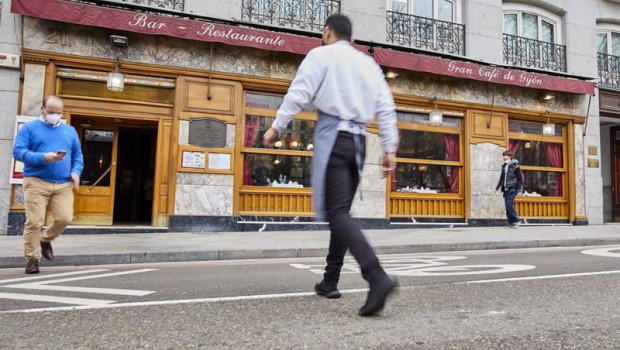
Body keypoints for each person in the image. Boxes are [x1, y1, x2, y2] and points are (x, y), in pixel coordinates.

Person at [263, 14, 399, 316]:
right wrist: (390, 148)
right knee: (342, 213)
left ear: (327, 32)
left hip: (333, 137)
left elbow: (299, 94)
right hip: (358, 142)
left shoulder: (320, 55)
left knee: (336, 213)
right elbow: (386, 107)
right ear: (352, 39)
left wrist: (276, 127)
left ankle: (376, 276)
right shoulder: (368, 63)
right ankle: (329, 281)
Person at [12, 96, 84, 274]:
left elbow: (78, 156)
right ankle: (32, 259)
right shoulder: (29, 129)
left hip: (63, 183)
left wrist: (76, 172)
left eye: (58, 113)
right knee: (34, 222)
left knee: (64, 218)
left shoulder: (70, 131)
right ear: (42, 109)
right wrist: (43, 157)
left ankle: (45, 240)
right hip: (36, 181)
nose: (55, 116)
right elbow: (18, 152)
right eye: (51, 112)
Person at [494, 150, 524, 228]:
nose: (504, 156)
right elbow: (502, 178)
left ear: (510, 156)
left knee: (509, 205)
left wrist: (518, 187)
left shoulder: (514, 165)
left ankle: (516, 220)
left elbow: (520, 177)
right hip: (506, 189)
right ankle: (511, 223)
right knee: (507, 207)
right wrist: (497, 188)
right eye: (503, 155)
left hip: (512, 188)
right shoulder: (504, 166)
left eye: (506, 155)